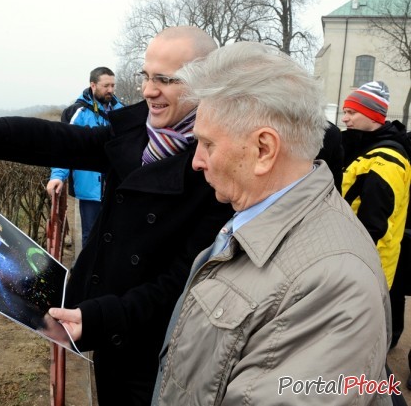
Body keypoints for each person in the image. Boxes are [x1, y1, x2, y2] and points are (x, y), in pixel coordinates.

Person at [0, 26, 235, 405]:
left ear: (206, 83)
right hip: (108, 331)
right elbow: (48, 139)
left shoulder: (220, 169)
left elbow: (183, 283)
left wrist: (102, 318)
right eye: (146, 76)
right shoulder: (140, 133)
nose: (149, 90)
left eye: (165, 80)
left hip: (159, 351)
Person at [153, 41, 392, 405]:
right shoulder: (259, 216)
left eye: (207, 144)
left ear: (264, 149)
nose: (197, 161)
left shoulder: (334, 285)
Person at [341, 80, 411, 291]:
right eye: (345, 112)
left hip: (367, 272)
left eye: (352, 112)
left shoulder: (385, 160)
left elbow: (374, 228)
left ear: (373, 115)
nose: (345, 118)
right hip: (357, 263)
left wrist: (357, 273)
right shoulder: (364, 148)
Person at [46, 66, 123, 247]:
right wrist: (57, 176)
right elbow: (65, 147)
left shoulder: (122, 111)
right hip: (90, 189)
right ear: (93, 85)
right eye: (106, 86)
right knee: (91, 235)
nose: (111, 90)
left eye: (113, 85)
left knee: (116, 233)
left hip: (116, 185)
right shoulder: (77, 112)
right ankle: (88, 273)